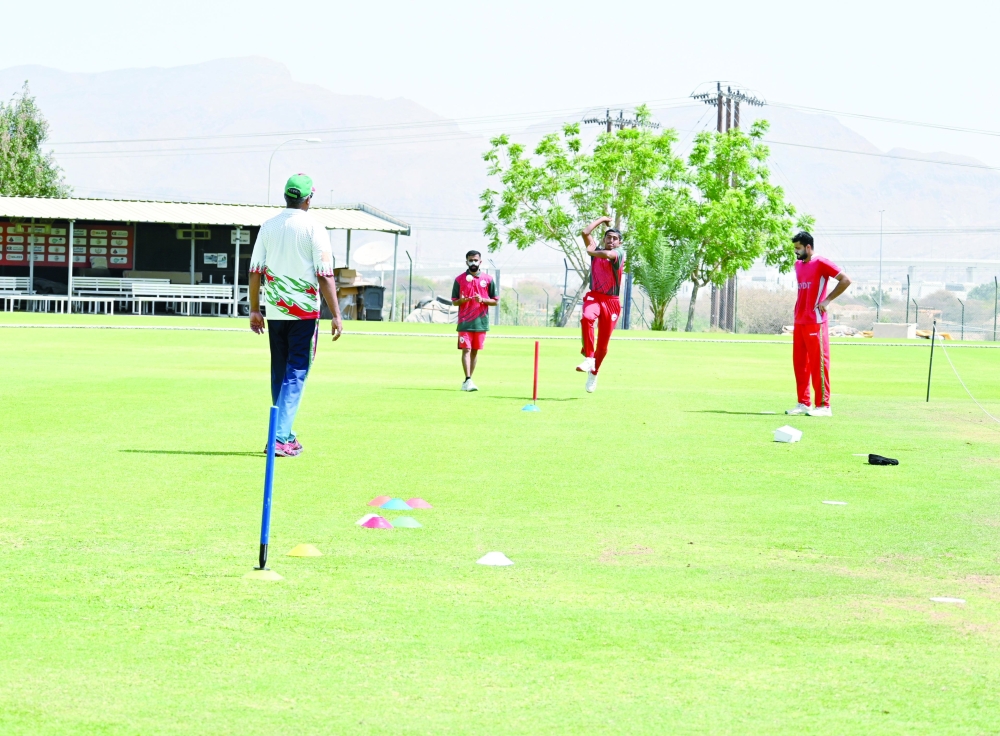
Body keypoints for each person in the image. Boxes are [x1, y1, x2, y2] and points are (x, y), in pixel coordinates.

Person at [248, 173, 343, 456]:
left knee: (280, 371)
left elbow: (255, 271)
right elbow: (325, 275)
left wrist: (255, 309)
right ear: (308, 198)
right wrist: (336, 314)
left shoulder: (268, 226)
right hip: (303, 314)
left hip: (276, 311)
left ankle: (285, 433)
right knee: (296, 372)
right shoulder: (315, 228)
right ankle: (278, 437)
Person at [786, 231, 851, 417]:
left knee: (819, 364)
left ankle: (824, 406)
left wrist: (828, 300)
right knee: (800, 364)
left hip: (816, 321)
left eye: (798, 248)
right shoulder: (797, 265)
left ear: (808, 247)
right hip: (800, 321)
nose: (796, 252)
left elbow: (845, 280)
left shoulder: (821, 262)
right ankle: (803, 403)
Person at [576, 215, 623, 393]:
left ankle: (594, 372)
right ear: (604, 239)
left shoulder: (618, 253)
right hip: (594, 296)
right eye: (608, 237)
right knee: (587, 318)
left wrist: (591, 252)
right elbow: (585, 232)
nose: (611, 241)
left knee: (603, 346)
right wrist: (603, 219)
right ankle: (589, 357)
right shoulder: (596, 249)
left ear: (619, 242)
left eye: (614, 239)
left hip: (611, 302)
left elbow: (606, 254)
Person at [451, 250, 498, 391]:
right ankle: (468, 380)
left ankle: (469, 378)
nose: (473, 262)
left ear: (480, 261)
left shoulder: (488, 280)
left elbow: (495, 301)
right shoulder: (459, 280)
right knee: (466, 349)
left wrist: (482, 300)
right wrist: (462, 300)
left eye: (475, 260)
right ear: (466, 262)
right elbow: (454, 302)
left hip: (481, 322)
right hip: (464, 322)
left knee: (475, 351)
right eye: (470, 260)